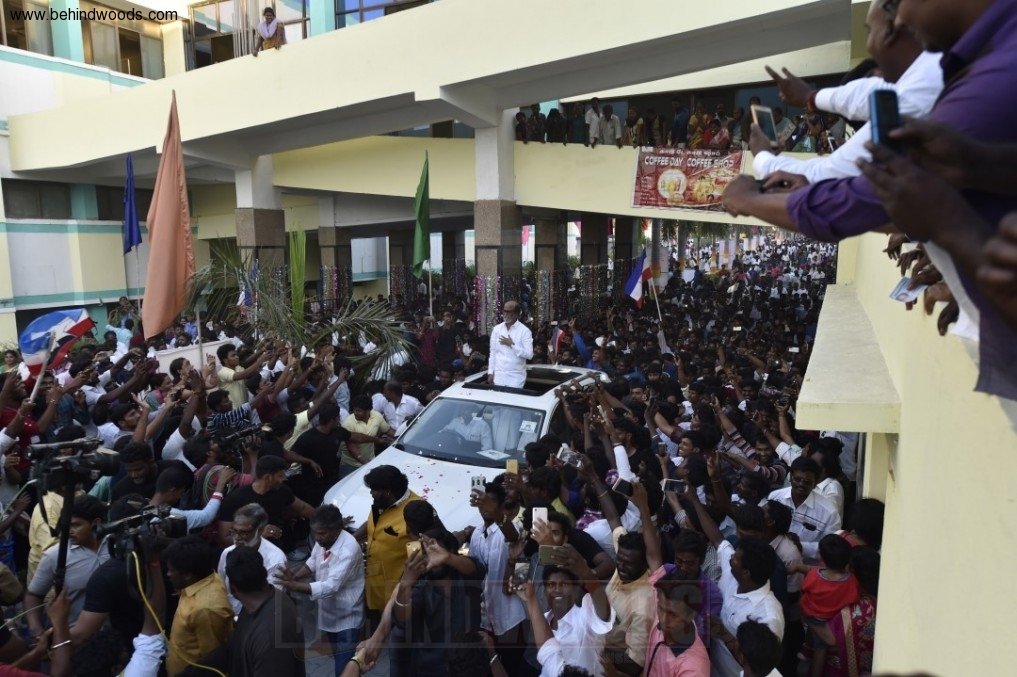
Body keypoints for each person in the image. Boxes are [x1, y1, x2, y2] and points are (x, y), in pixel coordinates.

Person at [279, 505, 364, 673]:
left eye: (321, 534)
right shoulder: (324, 540)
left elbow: (331, 586)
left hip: (348, 617)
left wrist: (295, 586)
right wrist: (295, 576)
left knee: (343, 668)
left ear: (337, 529)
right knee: (343, 662)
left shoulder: (348, 549)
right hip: (328, 612)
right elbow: (312, 562)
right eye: (315, 533)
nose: (317, 538)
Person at [200, 546, 304, 675]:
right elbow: (235, 646)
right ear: (264, 573)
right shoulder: (260, 602)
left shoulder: (269, 636)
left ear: (233, 588)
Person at [24, 495, 106, 641]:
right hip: (73, 639)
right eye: (67, 525)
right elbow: (33, 595)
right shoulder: (55, 555)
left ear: (96, 523)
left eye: (76, 525)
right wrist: (36, 629)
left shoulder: (114, 545)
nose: (69, 530)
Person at [163, 535, 234, 677]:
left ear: (188, 575)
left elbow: (212, 662)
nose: (168, 574)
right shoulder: (206, 579)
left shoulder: (205, 610)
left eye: (171, 570)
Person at [359, 465, 422, 620]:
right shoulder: (382, 502)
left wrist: (405, 586)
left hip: (395, 593)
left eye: (373, 490)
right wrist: (352, 538)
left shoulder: (415, 511)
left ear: (387, 491)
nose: (371, 493)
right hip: (374, 584)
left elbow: (419, 557)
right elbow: (373, 522)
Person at [216, 454, 315, 551]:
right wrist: (258, 536)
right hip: (249, 555)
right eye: (280, 475)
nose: (285, 478)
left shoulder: (282, 490)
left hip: (276, 550)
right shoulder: (235, 499)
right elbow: (225, 538)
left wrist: (322, 520)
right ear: (268, 477)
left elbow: (302, 508)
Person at [218, 502, 287, 615]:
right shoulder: (227, 553)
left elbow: (270, 603)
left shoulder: (276, 560)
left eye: (243, 532)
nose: (237, 538)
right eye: (234, 531)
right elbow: (221, 587)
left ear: (260, 530)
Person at [767, 457, 842, 559]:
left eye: (807, 482)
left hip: (805, 565)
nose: (801, 484)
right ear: (790, 477)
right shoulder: (775, 497)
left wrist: (802, 546)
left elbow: (831, 548)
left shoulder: (830, 512)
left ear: (815, 483)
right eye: (797, 479)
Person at [488, 301, 534, 388]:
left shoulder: (524, 331)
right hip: (499, 377)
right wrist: (490, 372)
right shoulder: (497, 329)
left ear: (517, 314)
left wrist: (512, 345)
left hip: (516, 378)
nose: (505, 314)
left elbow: (529, 355)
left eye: (509, 312)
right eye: (504, 311)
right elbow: (493, 353)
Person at [342, 393, 392, 469]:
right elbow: (351, 447)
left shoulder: (377, 416)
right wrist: (367, 464)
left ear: (368, 411)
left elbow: (388, 430)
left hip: (370, 461)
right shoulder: (348, 423)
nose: (355, 413)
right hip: (351, 465)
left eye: (359, 411)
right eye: (354, 410)